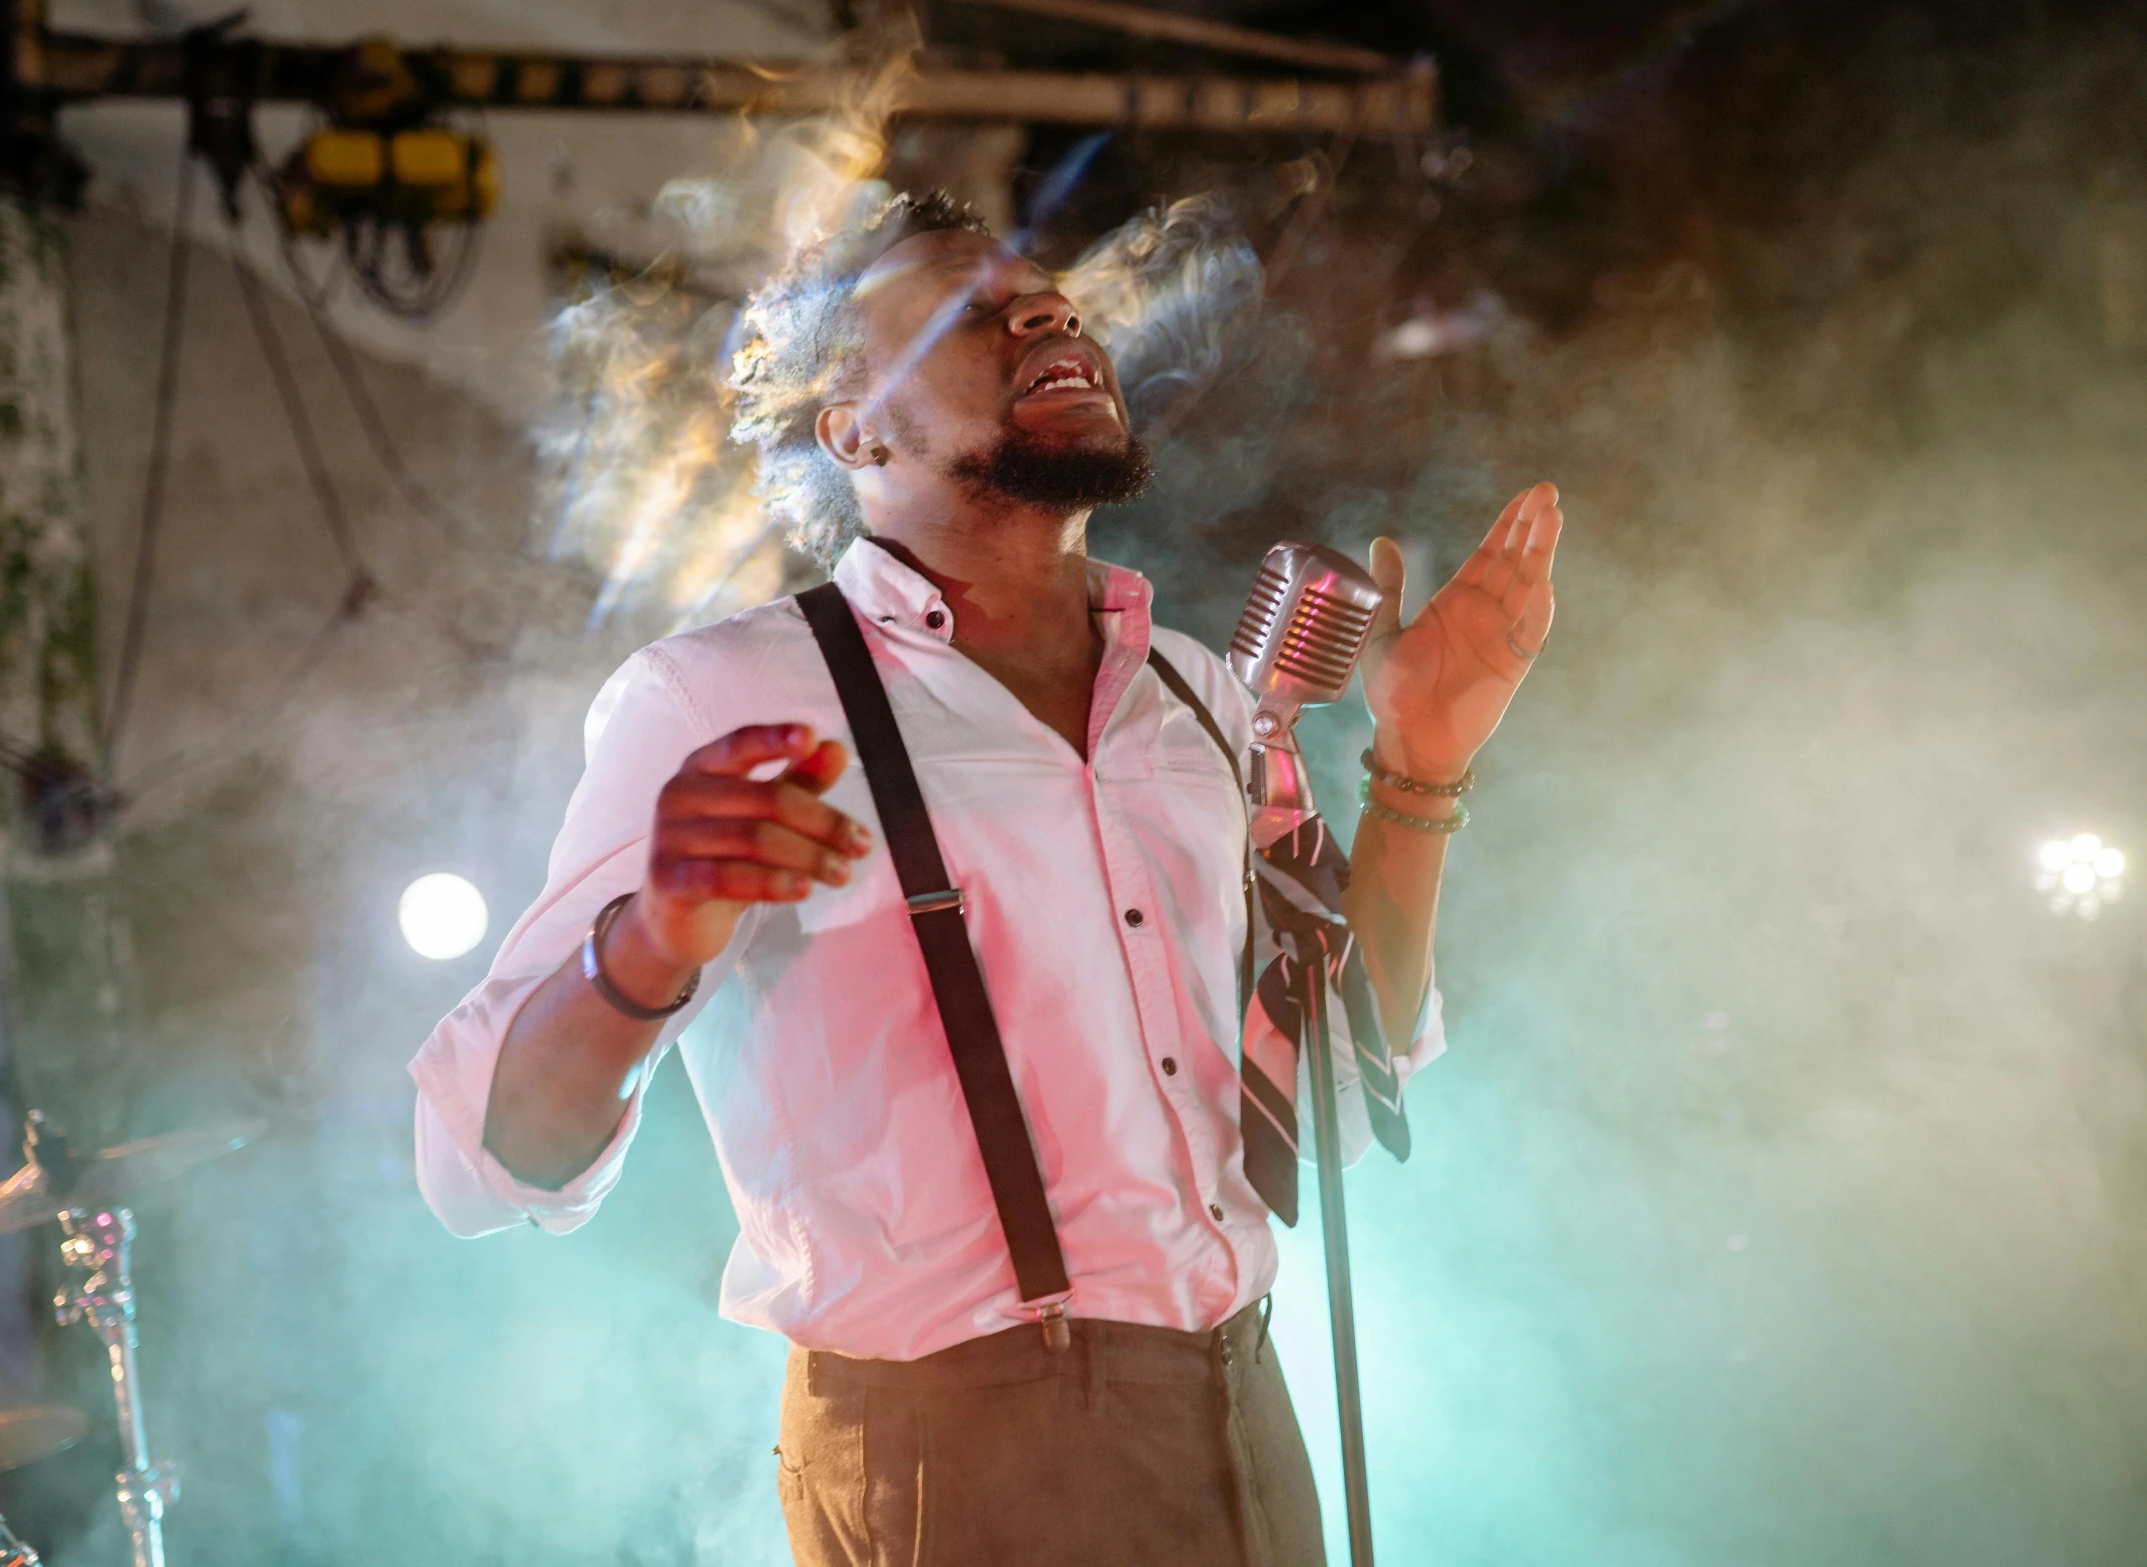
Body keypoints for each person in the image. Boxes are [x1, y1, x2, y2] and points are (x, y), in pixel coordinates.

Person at [411, 192, 1562, 1567]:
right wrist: (649, 942)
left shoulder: (1198, 697)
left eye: (1056, 298)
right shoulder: (719, 696)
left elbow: (1329, 1097)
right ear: (853, 426)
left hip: (1239, 1414)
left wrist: (1417, 768)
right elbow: (476, 1163)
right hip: (945, 1458)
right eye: (970, 307)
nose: (1047, 312)